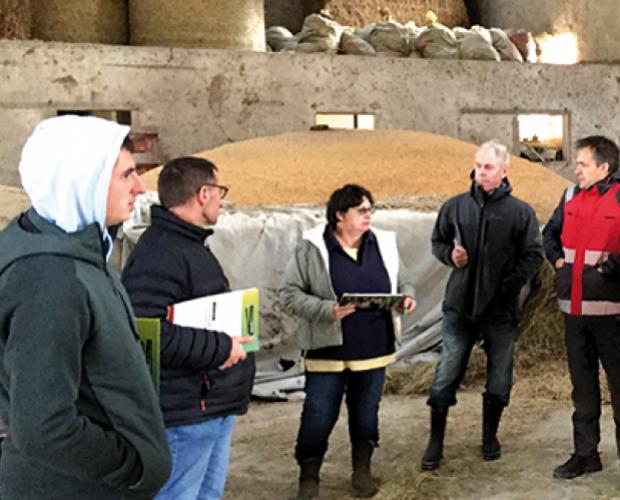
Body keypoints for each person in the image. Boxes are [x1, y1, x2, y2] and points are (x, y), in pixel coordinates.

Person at [0, 115, 171, 498]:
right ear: (83, 179)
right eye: (126, 175)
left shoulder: (79, 252)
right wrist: (131, 466)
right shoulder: (49, 277)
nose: (141, 188)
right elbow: (43, 427)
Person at [121, 156, 256, 500]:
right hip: (186, 413)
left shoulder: (187, 245)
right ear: (203, 194)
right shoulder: (161, 253)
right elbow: (147, 331)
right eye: (219, 191)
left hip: (209, 405)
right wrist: (221, 348)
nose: (222, 200)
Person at [280, 184, 416, 499]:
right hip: (327, 349)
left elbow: (404, 280)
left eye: (370, 209)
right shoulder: (312, 246)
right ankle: (309, 478)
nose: (369, 216)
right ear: (340, 215)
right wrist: (326, 310)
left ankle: (362, 472)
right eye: (361, 210)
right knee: (318, 414)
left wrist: (407, 297)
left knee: (366, 413)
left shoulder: (383, 242)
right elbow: (289, 294)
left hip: (373, 348)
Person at [542, 135, 620, 494]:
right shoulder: (569, 197)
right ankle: (585, 454)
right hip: (574, 314)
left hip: (612, 317)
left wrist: (614, 268)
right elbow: (549, 235)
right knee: (582, 389)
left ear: (604, 167)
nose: (575, 169)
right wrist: (558, 261)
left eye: (582, 163)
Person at [421, 141, 543, 470]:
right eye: (477, 166)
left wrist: (511, 284)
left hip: (500, 310)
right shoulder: (455, 207)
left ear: (504, 170)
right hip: (459, 306)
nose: (480, 173)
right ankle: (436, 441)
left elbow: (534, 254)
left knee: (500, 375)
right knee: (448, 370)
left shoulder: (521, 212)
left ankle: (490, 436)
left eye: (488, 167)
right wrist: (450, 255)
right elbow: (438, 241)